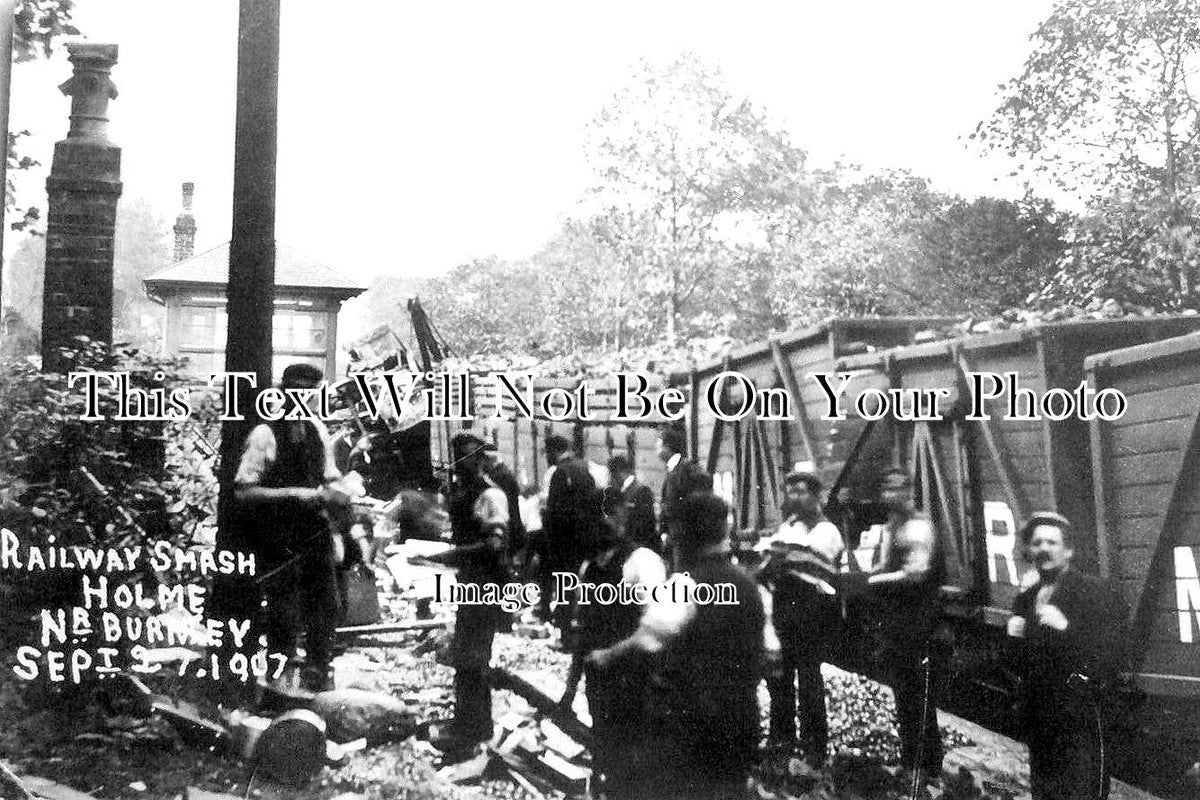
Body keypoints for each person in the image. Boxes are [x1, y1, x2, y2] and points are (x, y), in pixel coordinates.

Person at [588, 492, 764, 800]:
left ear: (685, 535)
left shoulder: (685, 585)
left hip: (694, 724)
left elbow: (647, 640)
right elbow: (770, 655)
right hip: (741, 717)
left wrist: (605, 656)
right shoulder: (749, 585)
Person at [234, 362, 350, 692]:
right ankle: (278, 685)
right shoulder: (265, 433)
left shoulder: (317, 429)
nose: (302, 399)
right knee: (283, 610)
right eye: (295, 393)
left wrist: (340, 491)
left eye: (309, 394)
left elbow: (328, 475)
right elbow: (244, 491)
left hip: (315, 530)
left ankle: (317, 676)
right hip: (279, 533)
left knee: (327, 605)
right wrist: (293, 494)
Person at [1007, 511, 1129, 800]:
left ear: (1069, 550)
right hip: (1041, 717)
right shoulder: (1025, 599)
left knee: (1082, 791)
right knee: (1046, 791)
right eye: (1037, 543)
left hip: (1080, 715)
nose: (1044, 549)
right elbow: (1017, 666)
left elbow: (1112, 653)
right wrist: (1012, 638)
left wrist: (1067, 629)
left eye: (1052, 542)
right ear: (1029, 551)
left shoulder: (1093, 590)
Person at [559, 495, 667, 800]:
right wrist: (571, 685)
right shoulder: (588, 569)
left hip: (636, 680)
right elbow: (584, 631)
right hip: (601, 682)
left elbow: (656, 631)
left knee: (638, 760)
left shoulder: (641, 562)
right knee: (607, 756)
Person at [420, 432, 511, 760]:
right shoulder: (464, 491)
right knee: (464, 656)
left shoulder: (491, 496)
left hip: (488, 585)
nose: (461, 467)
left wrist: (451, 554)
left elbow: (495, 546)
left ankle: (475, 728)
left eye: (468, 459)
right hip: (471, 582)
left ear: (479, 459)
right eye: (457, 461)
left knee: (473, 657)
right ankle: (468, 722)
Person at [757, 468, 844, 767]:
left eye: (801, 491)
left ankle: (813, 748)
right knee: (779, 678)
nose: (794, 497)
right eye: (790, 491)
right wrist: (780, 557)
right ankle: (781, 740)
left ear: (816, 495)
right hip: (785, 611)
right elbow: (771, 561)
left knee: (809, 680)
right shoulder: (789, 526)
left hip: (811, 614)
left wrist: (782, 556)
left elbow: (812, 567)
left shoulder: (827, 531)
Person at [866, 467, 944, 779]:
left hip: (918, 618)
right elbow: (886, 563)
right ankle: (912, 761)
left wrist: (872, 580)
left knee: (917, 692)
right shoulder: (891, 526)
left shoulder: (917, 527)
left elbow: (915, 574)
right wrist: (873, 573)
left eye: (897, 489)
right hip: (897, 619)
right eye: (887, 489)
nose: (891, 495)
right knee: (903, 691)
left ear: (908, 492)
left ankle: (928, 765)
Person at [541, 434, 597, 621]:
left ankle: (565, 626)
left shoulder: (559, 471)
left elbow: (552, 511)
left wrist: (550, 539)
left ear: (554, 451)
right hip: (585, 534)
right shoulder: (586, 467)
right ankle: (579, 619)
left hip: (564, 538)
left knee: (565, 580)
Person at [657, 427, 710, 546]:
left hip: (685, 539)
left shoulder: (687, 469)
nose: (656, 448)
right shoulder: (672, 470)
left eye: (659, 444)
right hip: (674, 538)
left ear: (668, 446)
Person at [602, 454, 659, 553]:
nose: (610, 479)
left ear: (619, 472)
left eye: (612, 475)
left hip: (640, 546)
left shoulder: (641, 490)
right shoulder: (623, 491)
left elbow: (644, 522)